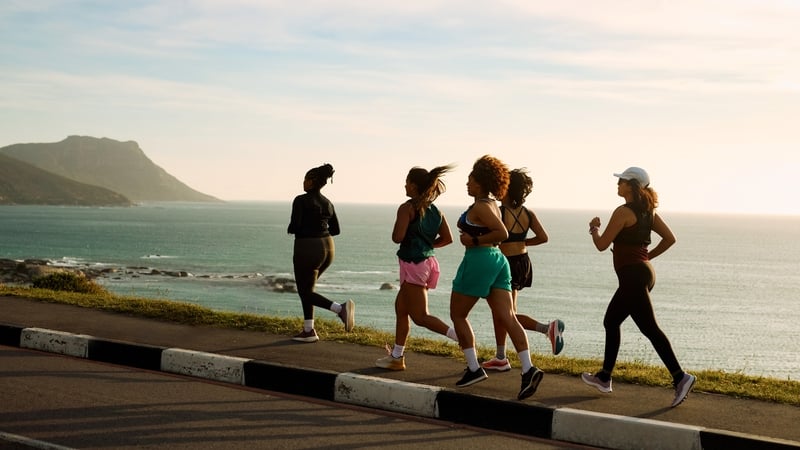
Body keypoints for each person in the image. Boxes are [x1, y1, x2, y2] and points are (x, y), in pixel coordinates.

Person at [581, 166, 696, 407]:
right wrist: (646, 257)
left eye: (621, 181)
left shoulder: (623, 212)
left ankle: (680, 377)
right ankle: (604, 377)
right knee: (611, 321)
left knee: (650, 329)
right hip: (641, 273)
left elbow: (602, 245)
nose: (618, 184)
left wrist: (593, 229)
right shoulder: (649, 212)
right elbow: (670, 239)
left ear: (632, 185)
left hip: (633, 276)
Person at [449, 155, 544, 401]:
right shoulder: (491, 203)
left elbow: (501, 233)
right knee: (508, 316)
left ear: (480, 183)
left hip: (479, 259)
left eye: (470, 179)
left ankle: (473, 368)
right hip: (498, 261)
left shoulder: (481, 206)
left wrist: (474, 240)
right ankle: (528, 368)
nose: (467, 183)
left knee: (458, 314)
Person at [375, 165, 460, 371]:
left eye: (407, 182)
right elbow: (448, 239)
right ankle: (397, 356)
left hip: (413, 263)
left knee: (420, 316)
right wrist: (429, 244)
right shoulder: (436, 211)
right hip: (423, 262)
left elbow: (397, 237)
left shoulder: (407, 208)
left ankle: (460, 336)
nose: (404, 185)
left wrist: (407, 233)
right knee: (401, 308)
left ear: (413, 186)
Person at [482, 168, 565, 373]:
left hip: (504, 263)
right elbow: (543, 237)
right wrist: (522, 241)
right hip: (523, 261)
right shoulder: (527, 213)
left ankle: (546, 329)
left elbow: (492, 238)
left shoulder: (500, 212)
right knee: (504, 312)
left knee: (504, 313)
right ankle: (501, 356)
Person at [287, 163, 354, 343]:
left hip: (307, 248)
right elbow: (336, 229)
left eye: (306, 179)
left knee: (305, 291)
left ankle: (340, 309)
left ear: (312, 182)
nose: (303, 182)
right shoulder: (327, 203)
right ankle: (309, 330)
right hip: (328, 248)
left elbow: (294, 227)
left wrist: (300, 228)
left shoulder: (300, 200)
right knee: (308, 289)